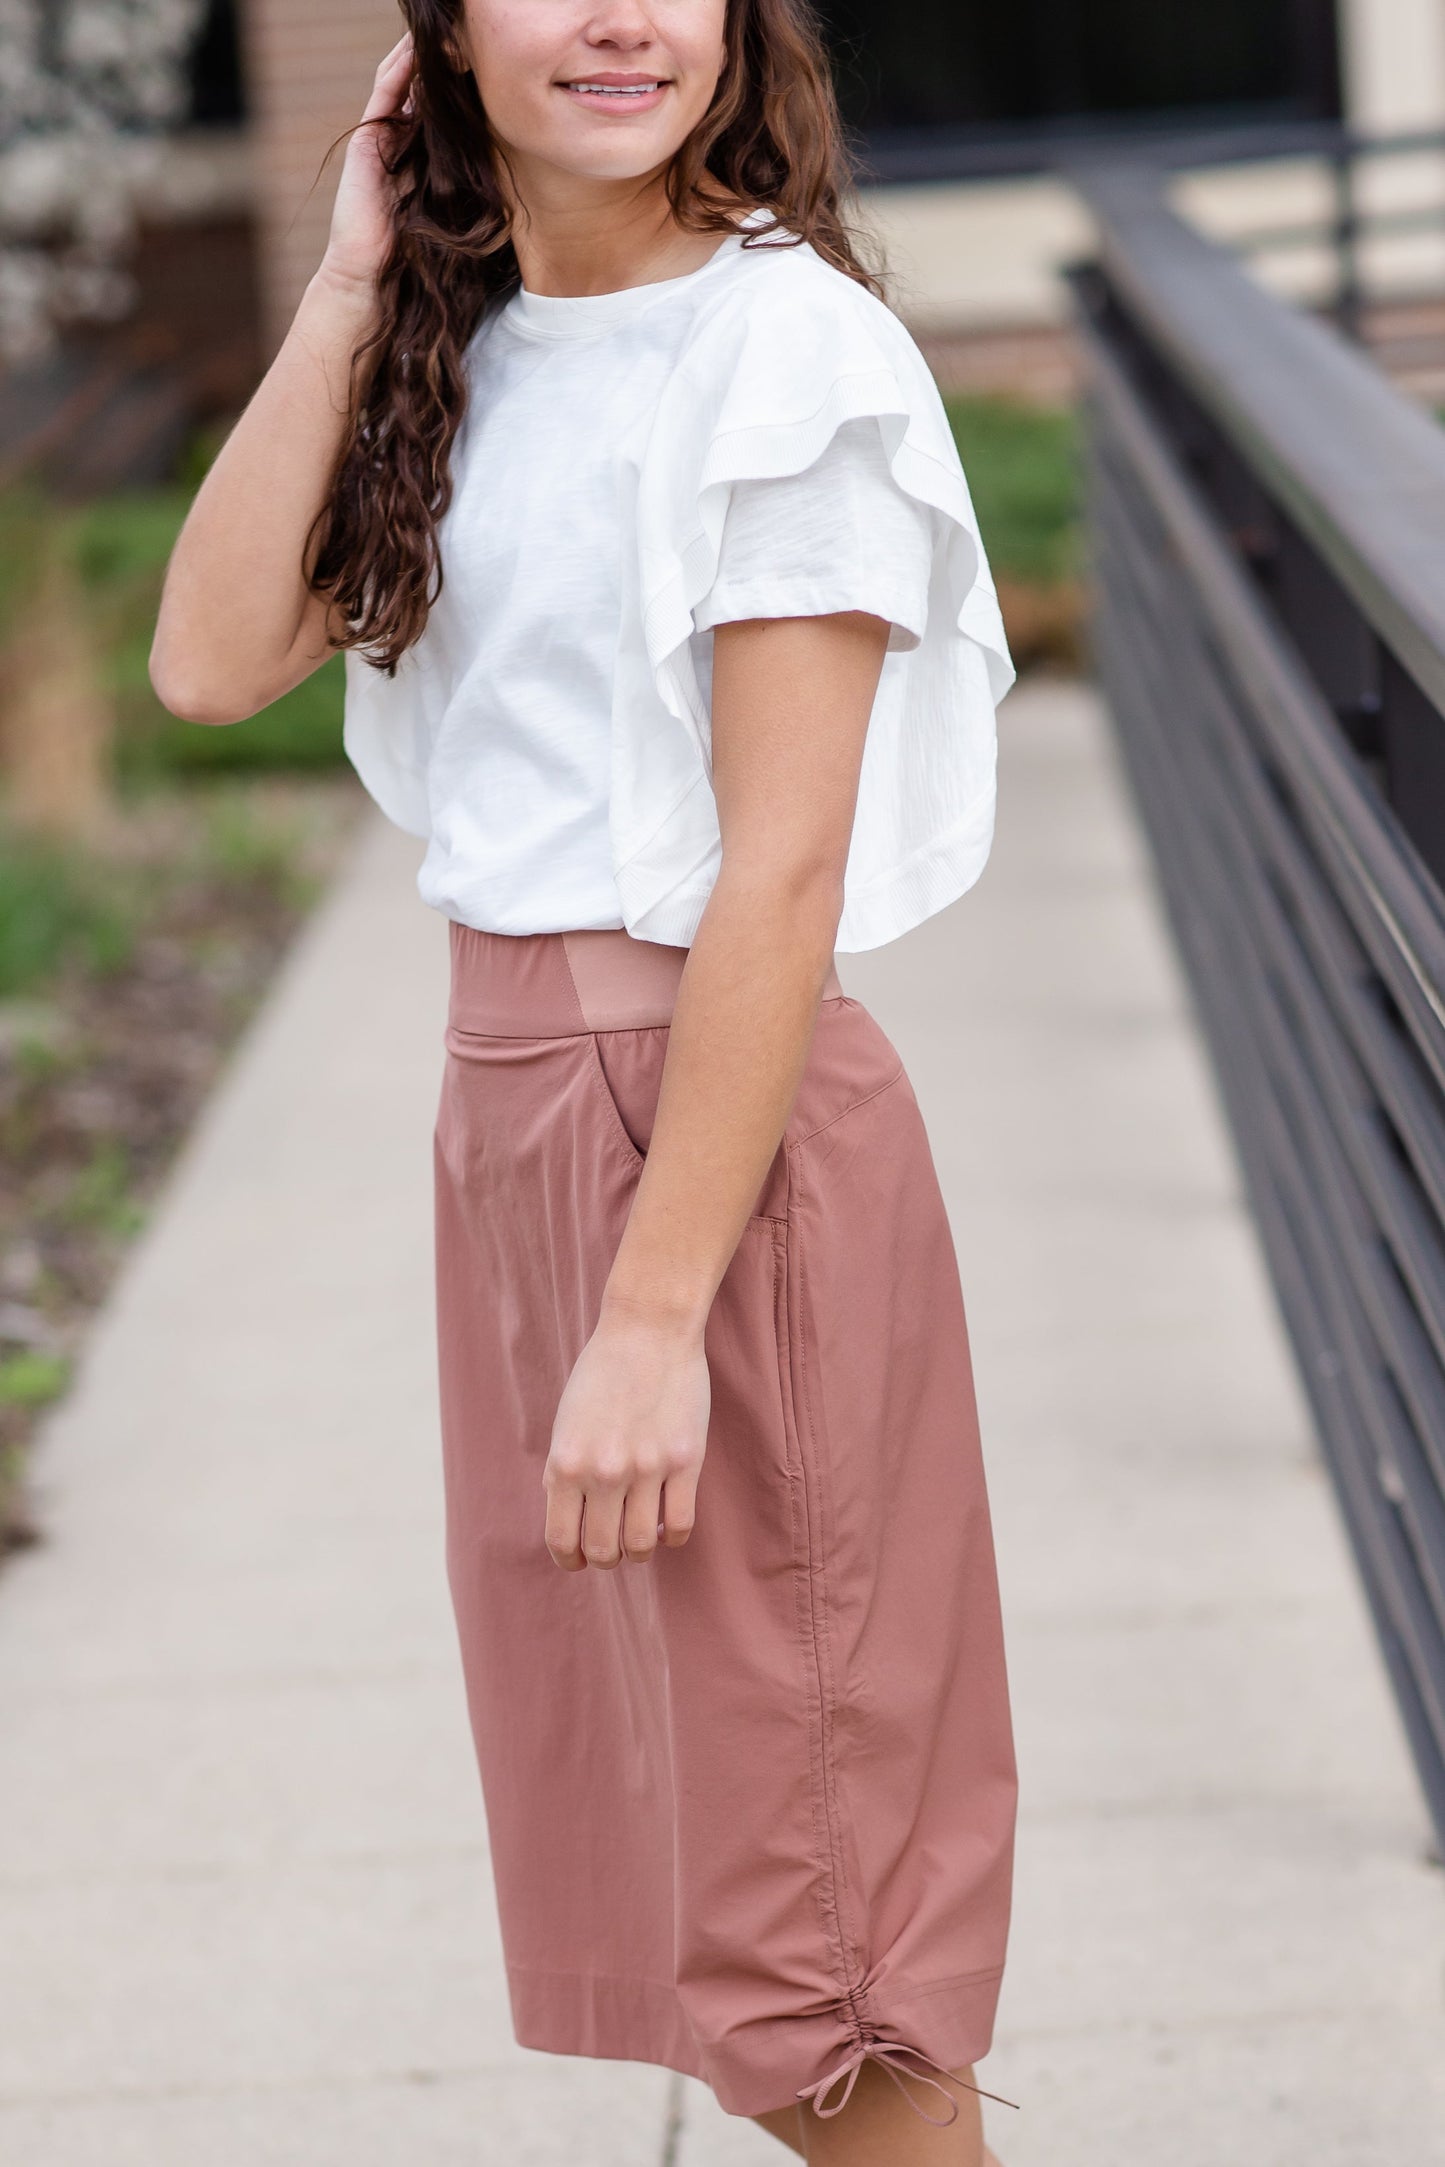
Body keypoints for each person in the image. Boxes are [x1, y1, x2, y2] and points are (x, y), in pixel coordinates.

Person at [150, 4, 1018, 2159]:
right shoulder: (476, 348)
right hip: (522, 1123)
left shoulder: (787, 356)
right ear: (436, 35)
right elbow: (203, 656)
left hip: (707, 1157)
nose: (622, 16)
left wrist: (652, 1314)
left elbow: (785, 864)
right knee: (700, 1897)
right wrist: (352, 276)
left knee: (815, 1954)